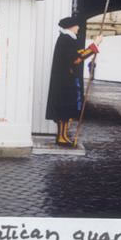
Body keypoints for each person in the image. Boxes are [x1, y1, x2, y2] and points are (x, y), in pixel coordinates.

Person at [46, 16, 102, 146]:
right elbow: (76, 59)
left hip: (65, 80)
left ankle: (63, 136)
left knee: (66, 109)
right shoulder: (66, 39)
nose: (78, 28)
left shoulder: (67, 39)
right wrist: (94, 45)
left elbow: (78, 54)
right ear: (71, 27)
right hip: (64, 81)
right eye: (77, 26)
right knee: (63, 109)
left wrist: (93, 47)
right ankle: (61, 137)